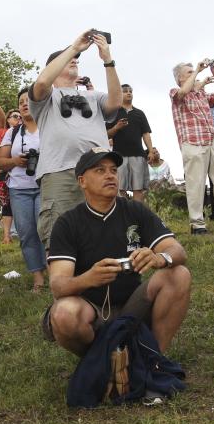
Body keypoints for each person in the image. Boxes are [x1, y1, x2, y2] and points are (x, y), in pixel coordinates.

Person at [43, 148, 191, 358]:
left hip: (133, 303)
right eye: (100, 170)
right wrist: (89, 279)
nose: (110, 175)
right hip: (91, 309)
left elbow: (177, 250)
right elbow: (58, 286)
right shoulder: (67, 223)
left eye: (113, 170)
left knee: (179, 274)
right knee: (63, 314)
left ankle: (155, 360)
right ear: (82, 181)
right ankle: (100, 363)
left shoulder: (134, 210)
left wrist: (159, 258)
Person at [29, 30, 122, 247]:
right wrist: (73, 48)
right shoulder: (45, 98)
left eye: (76, 60)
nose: (74, 61)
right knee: (59, 233)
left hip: (97, 170)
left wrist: (107, 60)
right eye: (68, 59)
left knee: (102, 231)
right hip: (59, 171)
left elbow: (116, 102)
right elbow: (42, 83)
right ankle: (64, 280)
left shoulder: (93, 96)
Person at [170, 60, 214, 233]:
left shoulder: (201, 94)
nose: (194, 73)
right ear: (179, 78)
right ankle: (197, 224)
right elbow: (182, 93)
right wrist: (198, 71)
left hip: (212, 138)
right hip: (192, 141)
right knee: (196, 183)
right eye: (189, 72)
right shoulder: (175, 92)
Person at [0, 88, 46, 291]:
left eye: (28, 100)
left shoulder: (48, 126)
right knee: (26, 234)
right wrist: (16, 161)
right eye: (21, 102)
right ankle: (38, 279)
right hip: (19, 188)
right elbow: (0, 162)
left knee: (47, 232)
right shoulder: (13, 131)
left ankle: (57, 273)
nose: (25, 104)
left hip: (46, 185)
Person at [106, 84, 154, 202]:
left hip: (138, 155)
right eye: (125, 91)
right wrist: (117, 127)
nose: (129, 93)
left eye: (130, 91)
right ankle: (122, 216)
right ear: (119, 94)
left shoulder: (139, 113)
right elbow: (107, 135)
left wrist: (151, 150)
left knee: (138, 189)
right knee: (119, 188)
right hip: (118, 157)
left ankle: (136, 217)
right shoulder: (114, 113)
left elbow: (146, 133)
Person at [0, 109, 22, 244]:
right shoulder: (2, 132)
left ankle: (20, 233)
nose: (18, 118)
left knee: (20, 201)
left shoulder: (26, 131)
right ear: (8, 118)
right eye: (15, 116)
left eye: (20, 116)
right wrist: (4, 148)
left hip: (20, 173)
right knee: (6, 204)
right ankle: (6, 235)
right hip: (3, 172)